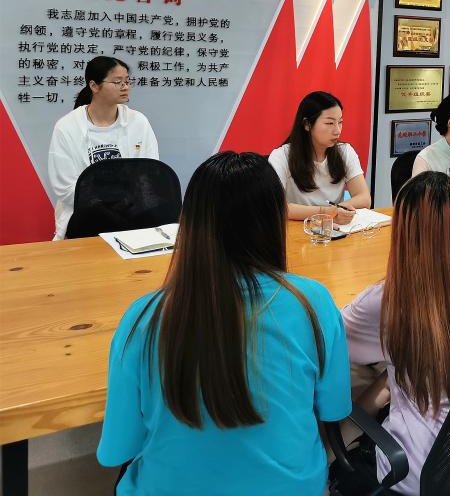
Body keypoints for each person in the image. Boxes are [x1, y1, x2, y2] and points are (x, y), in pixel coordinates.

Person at [97, 152, 351, 495]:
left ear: (189, 224)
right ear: (276, 220)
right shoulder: (314, 303)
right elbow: (334, 409)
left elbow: (117, 450)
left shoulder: (144, 319)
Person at [342, 171, 450, 495]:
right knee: (389, 375)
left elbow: (331, 343)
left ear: (401, 231)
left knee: (346, 385)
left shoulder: (386, 300)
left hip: (418, 470)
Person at [48, 55, 158, 240]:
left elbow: (150, 172)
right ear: (94, 86)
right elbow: (65, 188)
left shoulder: (138, 122)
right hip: (86, 217)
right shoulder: (67, 127)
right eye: (117, 82)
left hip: (132, 212)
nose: (125, 86)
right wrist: (107, 204)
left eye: (127, 81)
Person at [268, 91, 370, 225]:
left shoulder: (345, 152)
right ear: (307, 124)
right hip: (297, 228)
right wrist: (327, 212)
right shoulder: (281, 156)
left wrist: (338, 210)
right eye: (329, 123)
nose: (337, 130)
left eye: (340, 122)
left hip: (333, 229)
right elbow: (278, 207)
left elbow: (364, 198)